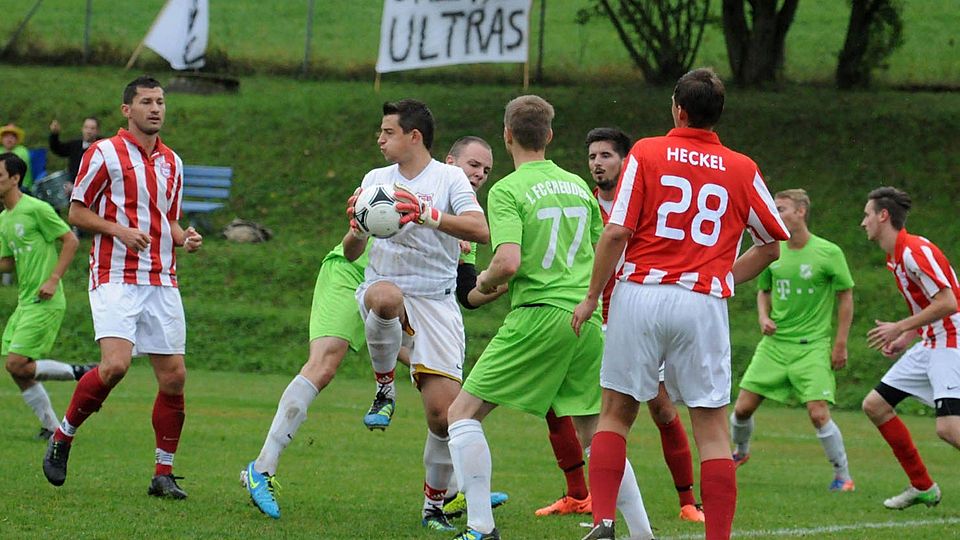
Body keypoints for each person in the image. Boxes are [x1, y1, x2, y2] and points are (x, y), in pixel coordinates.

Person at [240, 135, 505, 526]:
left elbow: (466, 292)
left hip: (411, 295)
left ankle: (452, 491)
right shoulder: (406, 187)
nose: (479, 174)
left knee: (443, 399)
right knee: (324, 364)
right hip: (353, 274)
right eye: (473, 165)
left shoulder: (461, 218)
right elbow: (358, 238)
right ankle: (262, 468)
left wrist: (502, 283)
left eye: (486, 170)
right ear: (450, 164)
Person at [572, 68, 789, 540]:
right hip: (701, 302)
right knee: (711, 429)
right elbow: (772, 245)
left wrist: (591, 296)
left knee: (615, 412)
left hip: (639, 294)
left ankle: (604, 520)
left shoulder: (647, 152)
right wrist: (721, 277)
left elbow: (617, 231)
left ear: (678, 109)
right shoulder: (742, 168)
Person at [447, 95, 654, 540]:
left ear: (507, 136)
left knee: (462, 413)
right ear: (550, 136)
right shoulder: (578, 185)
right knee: (599, 434)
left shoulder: (507, 189)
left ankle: (481, 527)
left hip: (539, 316)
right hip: (585, 320)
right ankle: (642, 533)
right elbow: (603, 251)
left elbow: (507, 263)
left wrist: (482, 283)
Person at [41, 76, 203, 500]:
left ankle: (163, 473)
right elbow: (77, 212)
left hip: (161, 278)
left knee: (174, 377)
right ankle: (63, 434)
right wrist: (120, 230)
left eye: (160, 101)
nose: (156, 108)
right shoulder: (103, 153)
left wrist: (185, 237)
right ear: (127, 110)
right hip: (115, 274)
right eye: (146, 102)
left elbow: (168, 219)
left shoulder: (173, 162)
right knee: (115, 366)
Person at [535, 128, 704, 523]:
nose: (597, 163)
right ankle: (577, 495)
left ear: (626, 161)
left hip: (632, 317)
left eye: (606, 155)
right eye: (592, 156)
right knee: (558, 403)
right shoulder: (580, 203)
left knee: (660, 407)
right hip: (586, 317)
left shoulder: (645, 204)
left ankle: (688, 502)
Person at [343, 99, 491, 532]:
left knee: (444, 417)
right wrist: (357, 228)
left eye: (387, 132)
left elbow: (480, 230)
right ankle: (384, 388)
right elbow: (351, 252)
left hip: (437, 301)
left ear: (414, 137)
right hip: (386, 285)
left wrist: (427, 215)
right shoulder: (375, 180)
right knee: (385, 298)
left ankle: (433, 507)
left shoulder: (449, 178)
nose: (380, 139)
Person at [730, 188, 855, 492]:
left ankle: (843, 477)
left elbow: (845, 296)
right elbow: (763, 290)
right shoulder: (772, 251)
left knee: (818, 412)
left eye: (781, 209)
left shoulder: (828, 252)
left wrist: (840, 343)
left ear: (801, 212)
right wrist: (763, 316)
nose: (776, 214)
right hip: (774, 345)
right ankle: (741, 452)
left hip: (812, 346)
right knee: (742, 409)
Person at [860, 186, 960, 510]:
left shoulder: (914, 252)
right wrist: (908, 335)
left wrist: (901, 326)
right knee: (875, 405)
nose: (863, 222)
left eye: (867, 215)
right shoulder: (897, 257)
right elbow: (930, 305)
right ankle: (923, 486)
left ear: (883, 216)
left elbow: (949, 302)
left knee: (949, 429)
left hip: (951, 341)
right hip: (932, 340)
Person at [0, 152, 93, 440]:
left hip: (45, 300)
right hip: (25, 301)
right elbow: (7, 262)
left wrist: (53, 279)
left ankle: (80, 372)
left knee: (16, 363)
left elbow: (70, 240)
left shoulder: (36, 208)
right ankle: (52, 427)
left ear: (15, 179)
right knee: (16, 368)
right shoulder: (4, 218)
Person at [49, 117, 101, 182]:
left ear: (98, 131)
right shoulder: (75, 145)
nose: (88, 131)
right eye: (86, 127)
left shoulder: (103, 146)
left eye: (92, 128)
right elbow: (58, 149)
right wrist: (54, 135)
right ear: (82, 129)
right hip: (74, 184)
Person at [0, 124, 32, 193]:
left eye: (12, 137)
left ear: (17, 140)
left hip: (20, 186)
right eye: (6, 136)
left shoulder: (22, 151)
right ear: (1, 139)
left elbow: (12, 169)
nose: (9, 139)